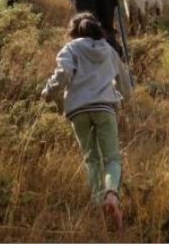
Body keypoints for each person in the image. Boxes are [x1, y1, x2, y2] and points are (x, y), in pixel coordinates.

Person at [41, 13, 132, 230]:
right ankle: (112, 196)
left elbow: (62, 75)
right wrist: (120, 98)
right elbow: (125, 86)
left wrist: (47, 93)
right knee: (112, 159)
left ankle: (97, 202)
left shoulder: (70, 49)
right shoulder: (109, 50)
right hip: (105, 108)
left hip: (78, 110)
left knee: (91, 159)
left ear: (73, 32)